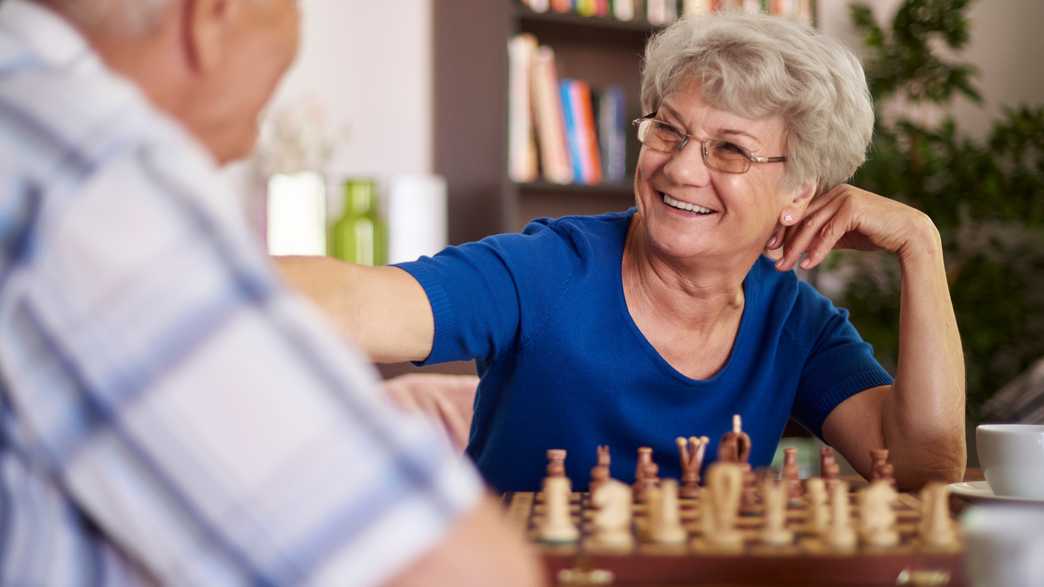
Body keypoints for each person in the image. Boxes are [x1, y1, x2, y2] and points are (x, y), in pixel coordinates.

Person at [281, 12, 967, 493]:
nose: (680, 170)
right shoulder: (550, 269)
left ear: (800, 191)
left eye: (728, 148)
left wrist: (921, 245)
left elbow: (924, 467)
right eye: (668, 132)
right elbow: (359, 301)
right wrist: (181, 269)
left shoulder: (795, 322)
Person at [0, 1, 544, 585]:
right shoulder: (93, 173)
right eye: (271, 89)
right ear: (209, 18)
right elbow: (446, 567)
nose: (247, 143)